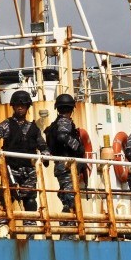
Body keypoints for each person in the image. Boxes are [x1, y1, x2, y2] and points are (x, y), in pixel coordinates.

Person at [0, 90, 49, 216]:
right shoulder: (6, 125)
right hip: (10, 170)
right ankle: (3, 229)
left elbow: (43, 147)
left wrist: (45, 158)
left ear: (27, 107)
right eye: (17, 105)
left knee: (30, 202)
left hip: (29, 172)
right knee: (6, 202)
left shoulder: (33, 128)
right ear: (13, 106)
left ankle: (31, 231)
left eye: (23, 105)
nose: (20, 108)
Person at [44, 94, 87, 222]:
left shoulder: (54, 124)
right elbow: (62, 136)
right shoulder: (64, 122)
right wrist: (78, 147)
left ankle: (68, 229)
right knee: (71, 198)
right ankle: (67, 230)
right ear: (71, 109)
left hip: (61, 164)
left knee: (68, 194)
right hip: (66, 165)